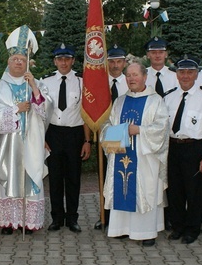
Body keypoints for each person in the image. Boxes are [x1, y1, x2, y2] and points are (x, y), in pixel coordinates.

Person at [101, 60, 169, 246]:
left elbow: (162, 128)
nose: (131, 78)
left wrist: (138, 130)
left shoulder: (156, 100)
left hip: (145, 157)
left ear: (144, 77)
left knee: (144, 191)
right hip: (122, 153)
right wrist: (115, 132)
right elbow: (108, 124)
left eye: (135, 75)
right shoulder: (120, 101)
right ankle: (122, 229)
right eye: (128, 75)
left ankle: (146, 232)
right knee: (121, 187)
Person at [0, 26, 50, 235]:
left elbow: (45, 111)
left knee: (30, 178)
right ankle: (8, 222)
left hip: (30, 141)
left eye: (22, 59)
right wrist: (16, 109)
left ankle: (28, 222)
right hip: (9, 145)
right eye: (15, 58)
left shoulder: (37, 84)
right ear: (8, 62)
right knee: (8, 178)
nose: (18, 62)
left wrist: (33, 86)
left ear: (27, 62)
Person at [164, 56, 202, 245]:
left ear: (196, 74)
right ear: (177, 74)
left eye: (189, 72)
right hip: (173, 147)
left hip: (194, 148)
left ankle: (192, 229)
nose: (185, 76)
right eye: (182, 72)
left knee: (194, 192)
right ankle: (177, 226)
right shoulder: (168, 97)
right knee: (175, 191)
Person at [41, 44, 91, 233]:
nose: (63, 62)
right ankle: (56, 218)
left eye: (67, 59)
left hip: (74, 134)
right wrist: (42, 138)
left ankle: (72, 218)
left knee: (73, 179)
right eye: (60, 59)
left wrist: (87, 141)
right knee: (54, 179)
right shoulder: (45, 82)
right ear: (55, 61)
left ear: (73, 61)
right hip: (53, 133)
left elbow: (85, 114)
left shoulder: (82, 82)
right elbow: (40, 113)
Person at [95, 44, 129, 230]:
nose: (115, 65)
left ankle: (122, 217)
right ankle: (105, 216)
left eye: (118, 61)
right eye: (112, 62)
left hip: (126, 133)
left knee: (124, 174)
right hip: (108, 133)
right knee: (108, 175)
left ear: (124, 63)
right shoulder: (99, 83)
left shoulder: (130, 81)